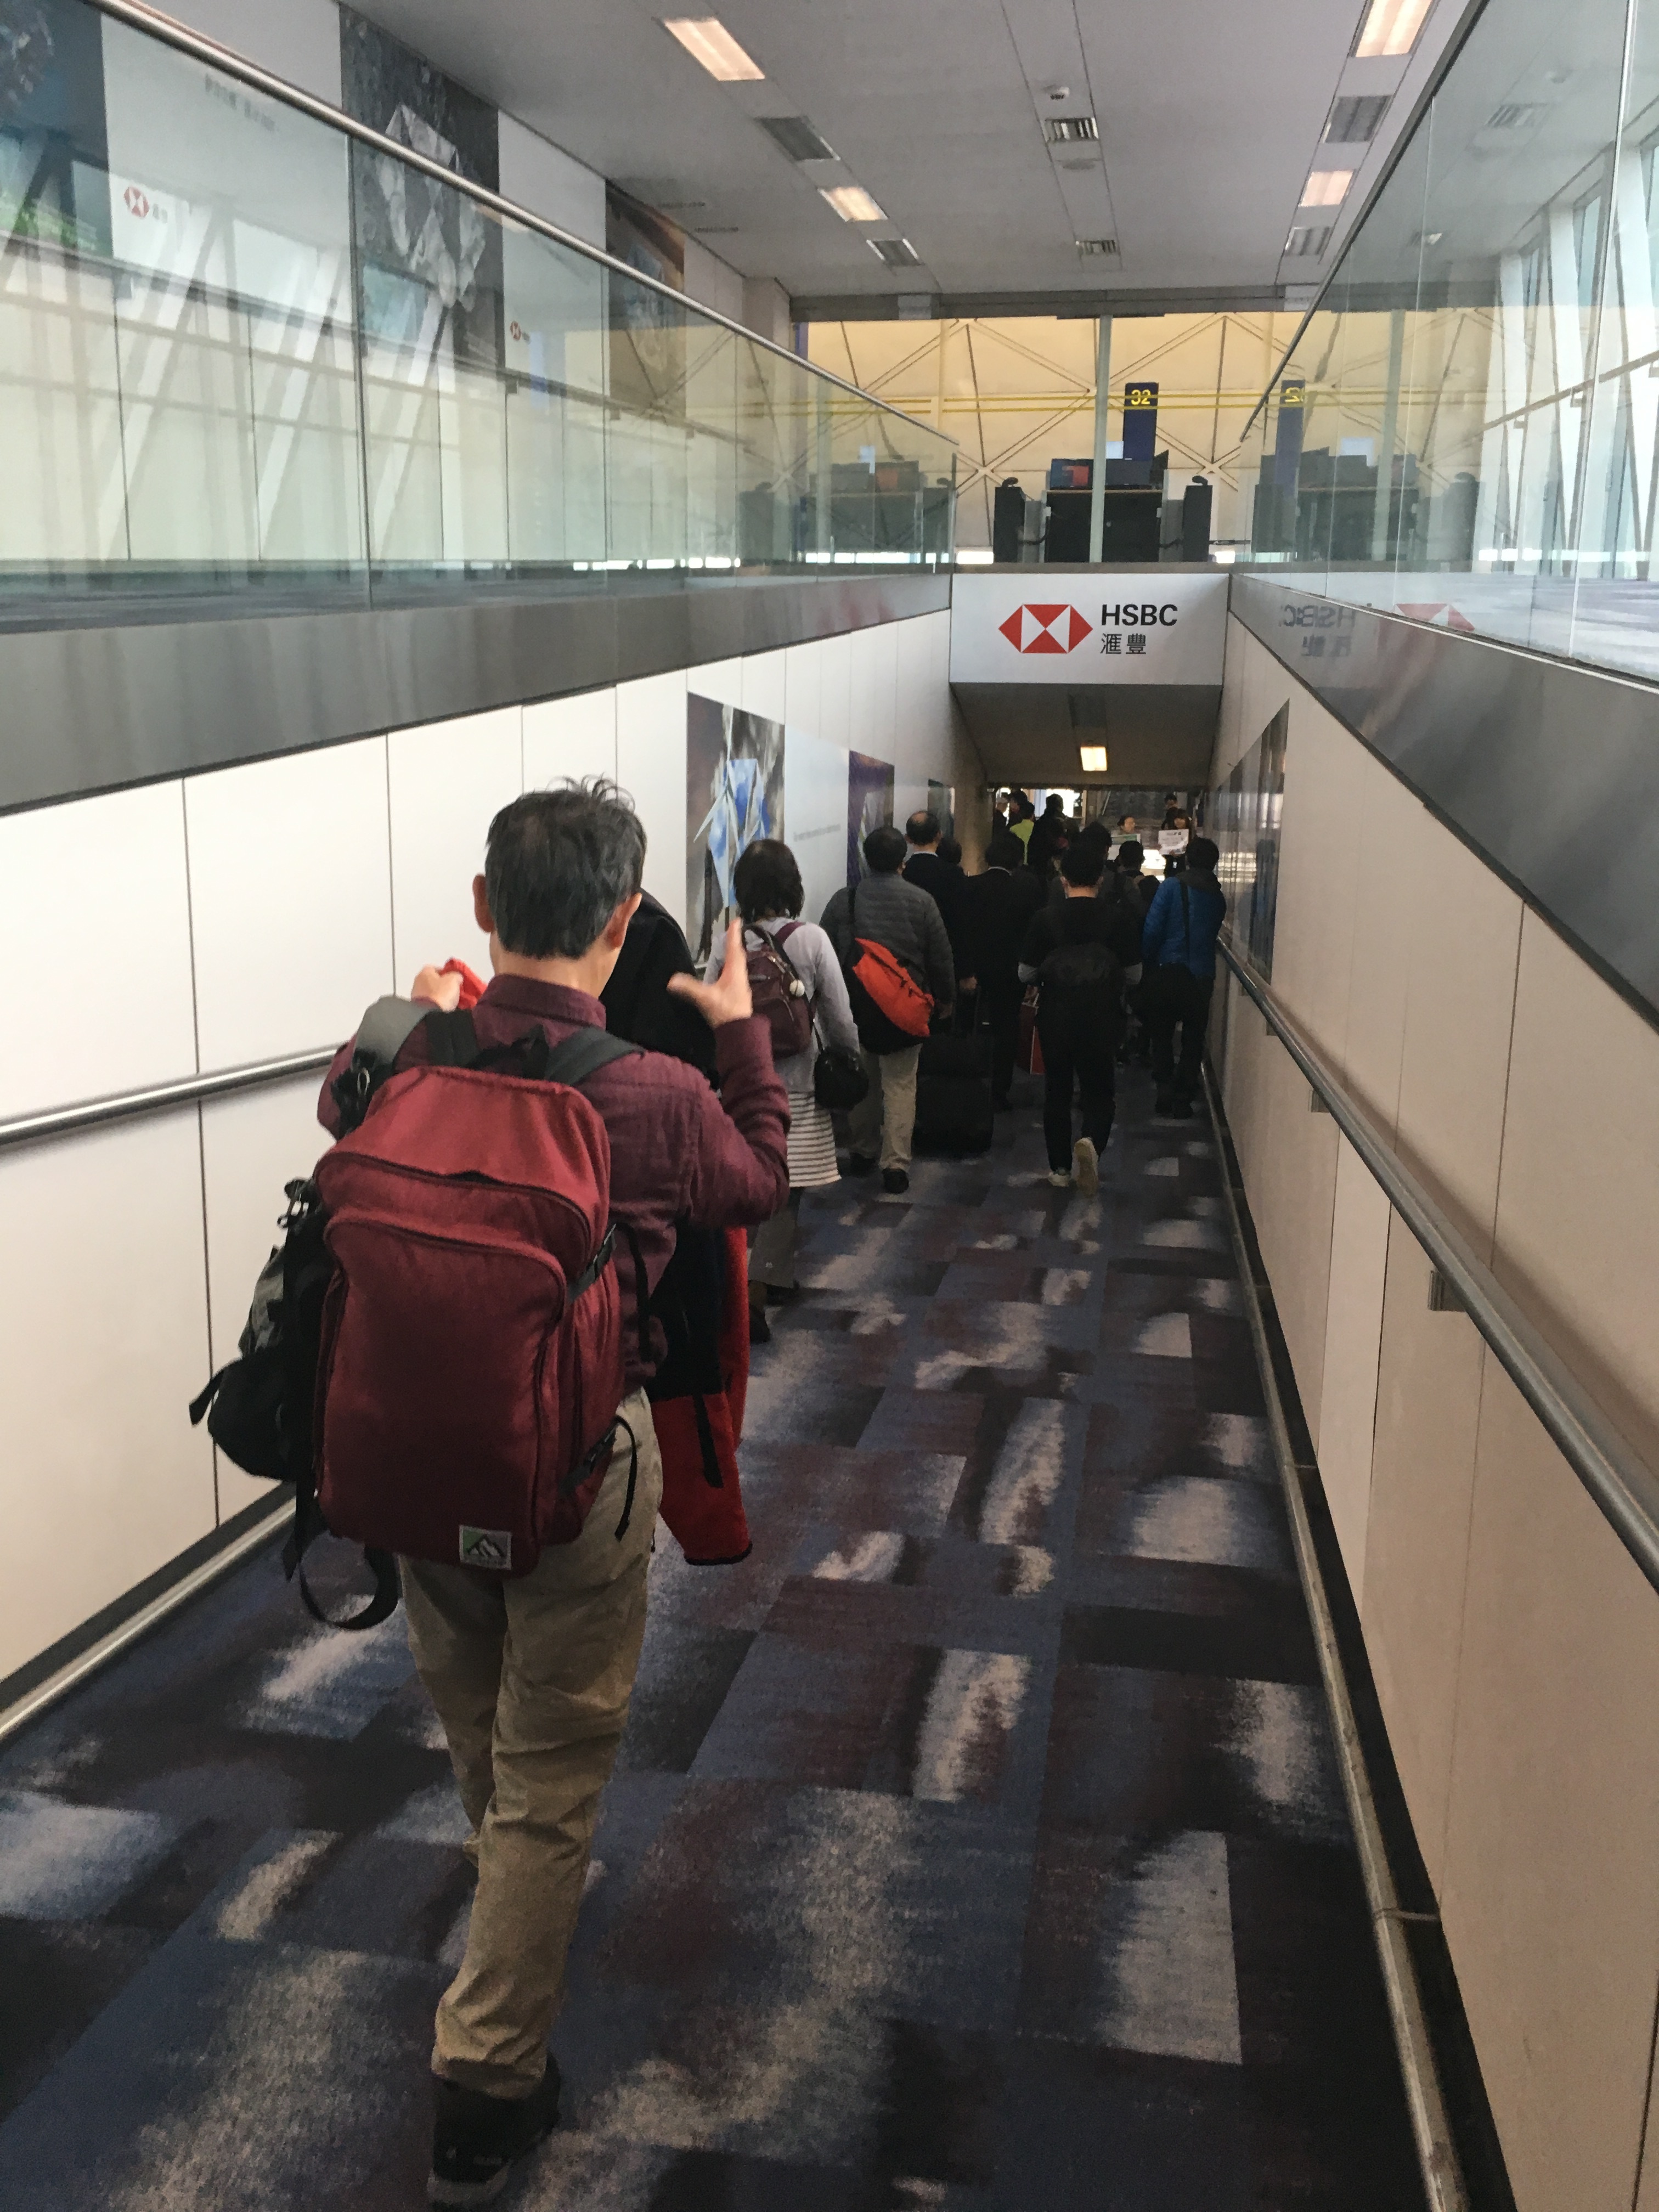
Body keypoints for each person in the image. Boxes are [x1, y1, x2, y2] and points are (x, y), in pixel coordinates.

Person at [317, 782, 788, 2206]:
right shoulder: (652, 1093)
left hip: (411, 1457)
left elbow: (341, 1113)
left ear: (482, 906)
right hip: (583, 1468)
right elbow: (760, 1183)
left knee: (492, 1747)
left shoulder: (409, 1050)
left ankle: (513, 1916)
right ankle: (488, 2079)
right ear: (624, 919)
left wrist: (398, 1016)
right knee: (549, 1774)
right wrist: (738, 1029)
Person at [702, 838, 859, 1341]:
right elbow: (839, 1014)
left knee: (743, 1182)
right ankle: (757, 1286)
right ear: (793, 886)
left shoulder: (728, 941)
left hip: (742, 1081)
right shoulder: (812, 939)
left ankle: (765, 1277)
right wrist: (849, 1054)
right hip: (799, 1083)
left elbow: (710, 1009)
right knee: (785, 1190)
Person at [821, 822, 955, 1195]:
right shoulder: (921, 901)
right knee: (901, 1084)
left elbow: (825, 952)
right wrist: (945, 1000)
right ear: (902, 859)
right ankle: (895, 1165)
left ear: (867, 859)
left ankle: (862, 1150)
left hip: (855, 1005)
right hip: (903, 1008)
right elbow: (940, 957)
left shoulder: (844, 900)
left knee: (863, 1077)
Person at [1019, 838, 1139, 1192]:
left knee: (1057, 1090)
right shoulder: (1117, 918)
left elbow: (1025, 973)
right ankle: (1091, 1145)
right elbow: (1135, 975)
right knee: (1099, 1088)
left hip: (1056, 1016)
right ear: (1101, 879)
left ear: (1063, 879)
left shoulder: (1046, 919)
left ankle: (1059, 1169)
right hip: (1103, 1017)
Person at [1140, 831, 1227, 1118]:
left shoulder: (1171, 887)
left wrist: (1147, 961)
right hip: (1202, 977)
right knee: (1193, 1038)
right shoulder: (1217, 898)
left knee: (1162, 1034)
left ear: (1188, 860)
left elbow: (1153, 929)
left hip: (1169, 971)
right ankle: (1183, 1096)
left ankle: (1164, 1088)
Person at [960, 828, 1045, 1107]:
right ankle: (999, 1091)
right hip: (1010, 972)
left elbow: (962, 933)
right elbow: (1030, 937)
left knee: (968, 1026)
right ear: (1018, 861)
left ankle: (966, 1084)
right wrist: (1032, 976)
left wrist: (966, 971)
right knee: (1006, 1029)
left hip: (974, 970)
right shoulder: (1024, 892)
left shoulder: (969, 887)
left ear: (987, 858)